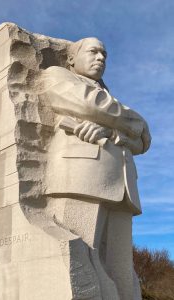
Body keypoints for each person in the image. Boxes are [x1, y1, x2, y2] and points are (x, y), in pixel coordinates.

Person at [35, 37, 151, 300]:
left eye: (104, 54)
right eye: (93, 51)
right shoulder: (58, 75)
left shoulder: (111, 99)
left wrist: (111, 129)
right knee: (81, 257)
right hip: (82, 176)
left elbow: (144, 140)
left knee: (122, 268)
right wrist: (135, 121)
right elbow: (89, 104)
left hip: (123, 186)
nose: (101, 58)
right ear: (72, 58)